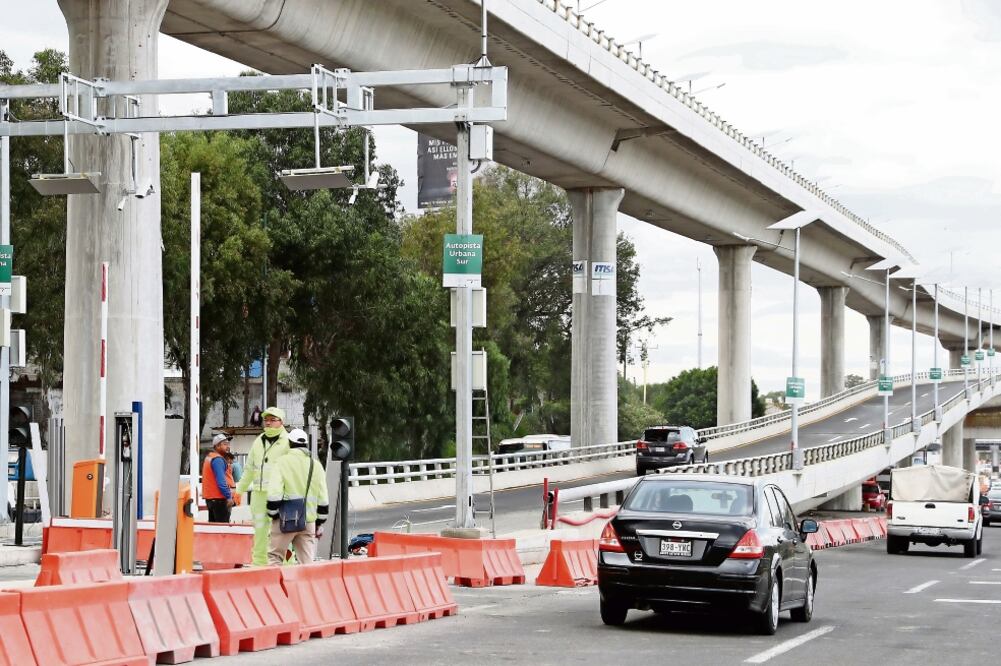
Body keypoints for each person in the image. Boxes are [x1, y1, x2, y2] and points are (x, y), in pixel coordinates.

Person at [235, 406, 291, 565]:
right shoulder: (258, 441)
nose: (268, 423)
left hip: (281, 496)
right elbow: (249, 469)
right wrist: (239, 490)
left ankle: (286, 566)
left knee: (281, 534)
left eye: (273, 420)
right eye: (266, 420)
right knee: (259, 532)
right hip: (259, 495)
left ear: (281, 422)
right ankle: (259, 565)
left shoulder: (288, 442)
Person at [266, 428, 329, 566]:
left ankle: (275, 588)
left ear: (290, 443)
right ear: (306, 445)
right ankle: (306, 588)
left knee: (274, 558)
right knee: (307, 563)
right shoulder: (316, 464)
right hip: (308, 521)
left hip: (285, 519)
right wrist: (319, 523)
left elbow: (274, 494)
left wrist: (273, 514)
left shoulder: (281, 462)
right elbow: (323, 498)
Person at [202, 434, 236, 523]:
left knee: (214, 528)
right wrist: (228, 497)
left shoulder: (211, 457)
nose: (228, 446)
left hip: (213, 499)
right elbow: (221, 482)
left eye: (228, 444)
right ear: (217, 446)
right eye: (225, 444)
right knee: (222, 530)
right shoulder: (218, 460)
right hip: (220, 500)